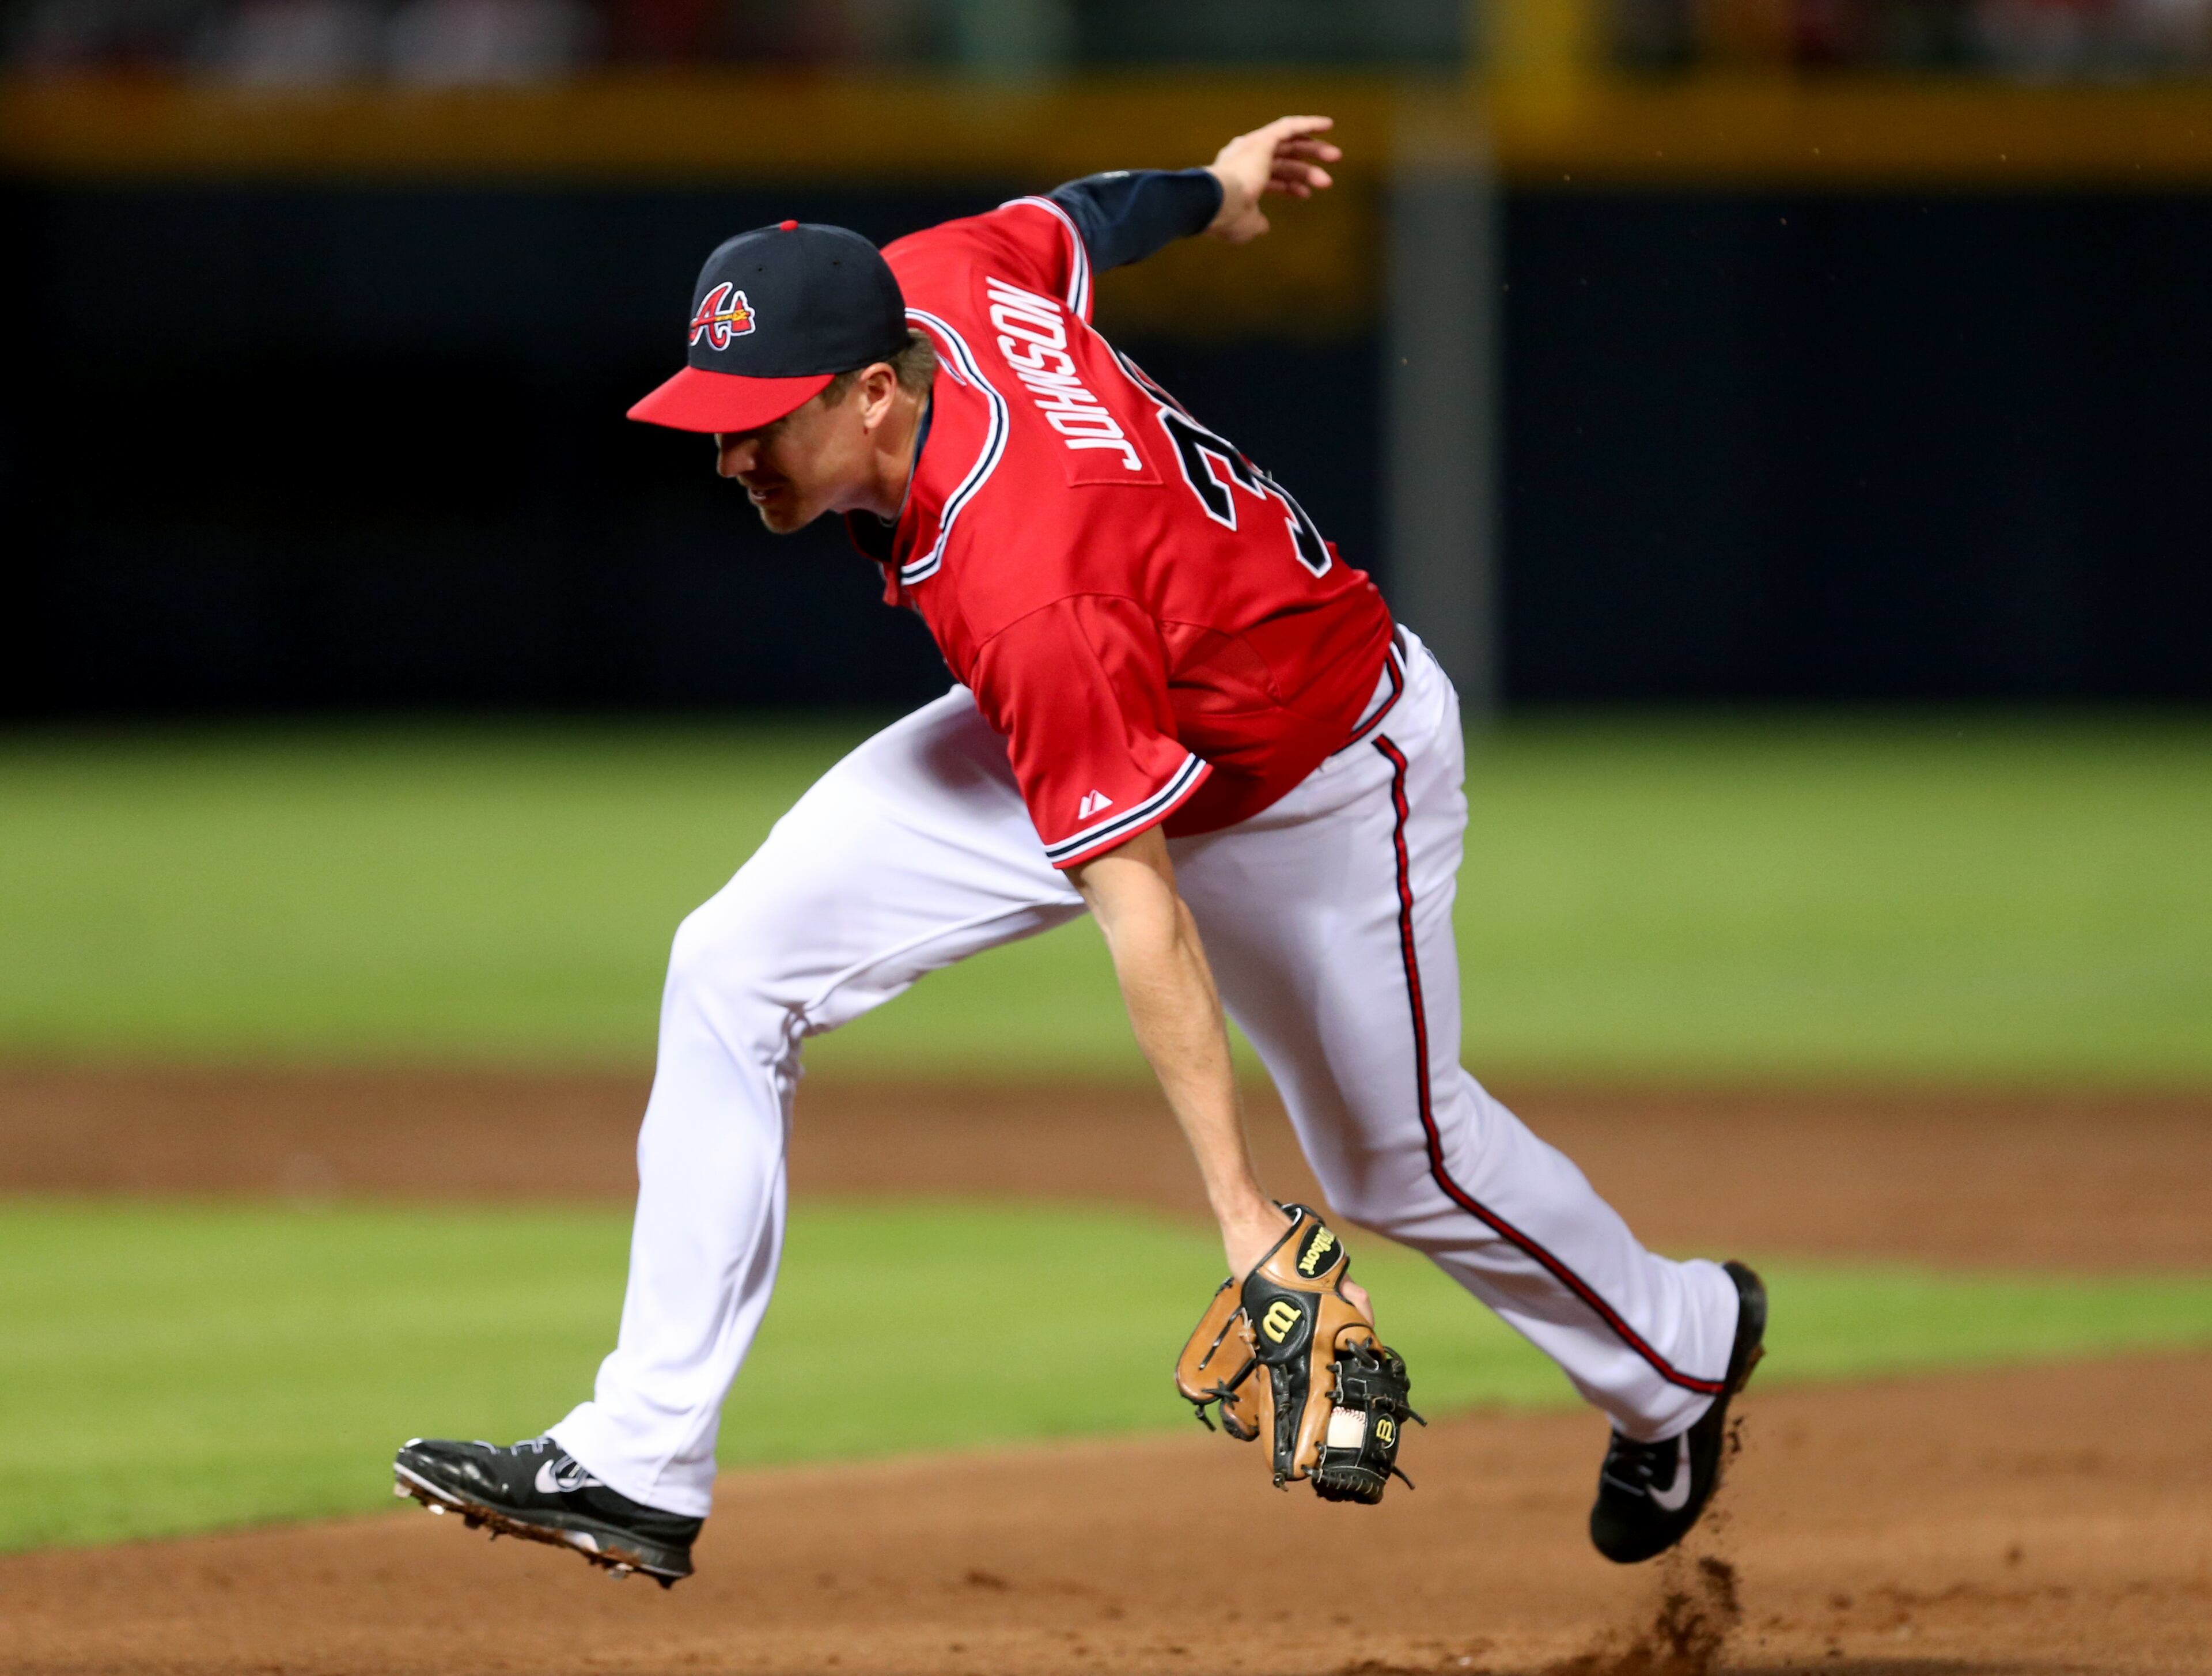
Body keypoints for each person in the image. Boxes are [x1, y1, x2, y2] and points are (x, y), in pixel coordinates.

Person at [393, 115, 1764, 1587]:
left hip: (1316, 768)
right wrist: (1222, 188)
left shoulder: (1029, 579)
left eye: (764, 415)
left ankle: (1678, 1357)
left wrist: (1245, 1220)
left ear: (871, 391)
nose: (729, 449)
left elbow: (1146, 915)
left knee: (1393, 1158)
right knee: (732, 966)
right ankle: (638, 1458)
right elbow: (1077, 218)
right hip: (1121, 692)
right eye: (715, 413)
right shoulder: (928, 278)